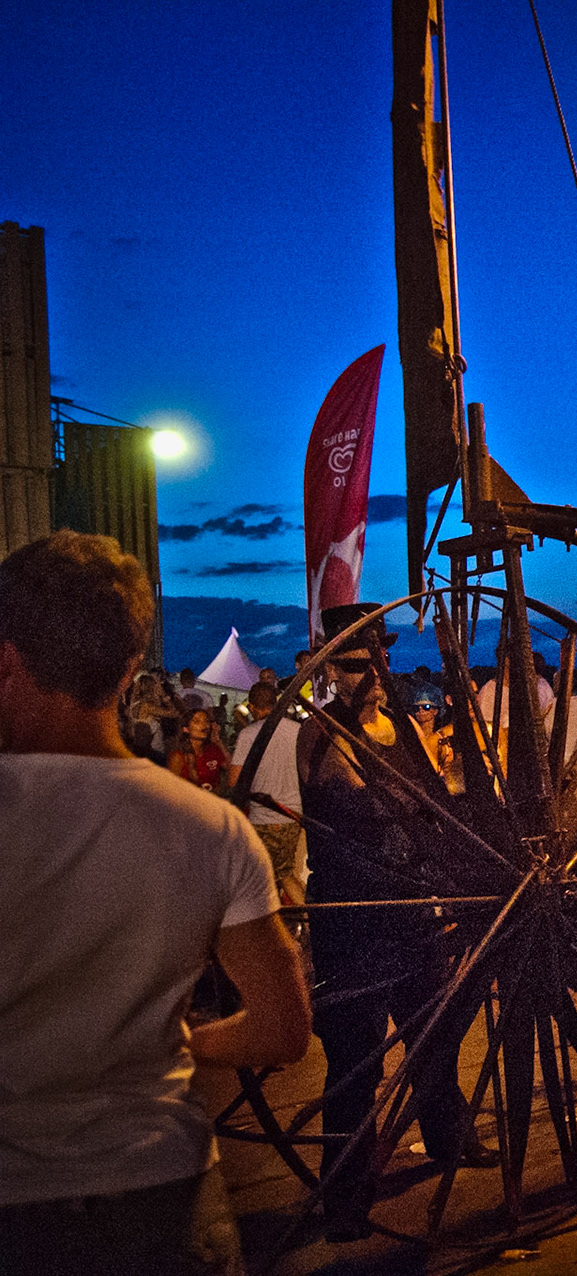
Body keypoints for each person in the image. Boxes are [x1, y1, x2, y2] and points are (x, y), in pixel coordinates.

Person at [0, 531, 310, 1275]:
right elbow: (280, 1029)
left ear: (6, 660)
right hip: (163, 1189)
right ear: (130, 667)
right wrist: (188, 1042)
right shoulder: (208, 827)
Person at [297, 603, 490, 1240]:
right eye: (356, 665)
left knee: (433, 1034)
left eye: (379, 658)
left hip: (412, 910)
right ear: (333, 667)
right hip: (354, 917)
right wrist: (431, 795)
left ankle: (448, 1138)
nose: (372, 674)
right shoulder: (321, 732)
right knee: (355, 1063)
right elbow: (361, 795)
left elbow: (436, 798)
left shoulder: (404, 727)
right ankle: (346, 1198)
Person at [227, 680, 306, 906]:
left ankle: (304, 922)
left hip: (264, 818)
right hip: (293, 815)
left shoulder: (249, 735)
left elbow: (234, 781)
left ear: (252, 707)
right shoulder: (297, 731)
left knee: (268, 877)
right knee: (285, 872)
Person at [168, 706, 229, 791]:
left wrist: (218, 742)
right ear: (186, 729)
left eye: (206, 721)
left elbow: (231, 768)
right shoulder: (178, 757)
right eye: (197, 721)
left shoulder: (213, 750)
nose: (204, 725)